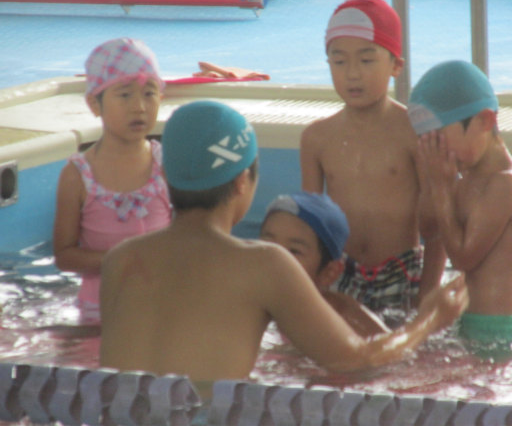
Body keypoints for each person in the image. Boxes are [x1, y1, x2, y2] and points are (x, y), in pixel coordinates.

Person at [99, 100, 468, 393]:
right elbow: (357, 360)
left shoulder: (120, 259)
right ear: (242, 182)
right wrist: (430, 320)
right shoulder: (262, 264)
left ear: (164, 175)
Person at [300, 0, 446, 319]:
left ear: (396, 66)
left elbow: (438, 225)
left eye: (366, 60)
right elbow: (309, 229)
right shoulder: (316, 139)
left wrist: (428, 296)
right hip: (339, 273)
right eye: (339, 61)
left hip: (401, 273)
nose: (352, 74)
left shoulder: (415, 133)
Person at [408, 60, 512, 344]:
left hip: (502, 331)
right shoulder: (465, 176)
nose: (440, 153)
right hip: (468, 323)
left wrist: (442, 189)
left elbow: (463, 258)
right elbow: (429, 229)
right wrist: (432, 178)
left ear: (485, 121)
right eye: (429, 144)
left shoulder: (506, 184)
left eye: (441, 141)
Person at [53, 38, 172, 321]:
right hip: (101, 310)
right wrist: (123, 260)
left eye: (149, 93)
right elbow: (65, 256)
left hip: (163, 304)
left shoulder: (166, 165)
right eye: (125, 95)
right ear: (95, 104)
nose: (139, 107)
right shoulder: (78, 175)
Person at [260, 191, 390, 337]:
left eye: (294, 251)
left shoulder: (339, 314)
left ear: (329, 273)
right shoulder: (248, 293)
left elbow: (386, 345)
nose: (275, 257)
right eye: (268, 244)